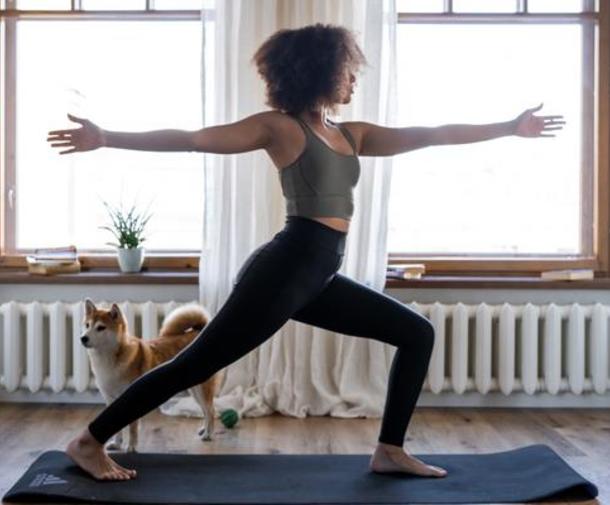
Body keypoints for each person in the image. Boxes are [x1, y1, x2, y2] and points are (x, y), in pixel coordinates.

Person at [46, 23, 564, 482]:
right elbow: (194, 139)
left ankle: (389, 449)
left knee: (415, 332)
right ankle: (88, 442)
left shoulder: (349, 133)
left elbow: (430, 134)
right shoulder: (280, 128)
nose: (353, 81)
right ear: (319, 71)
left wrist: (509, 128)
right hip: (285, 267)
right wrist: (107, 137)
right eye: (347, 71)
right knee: (193, 363)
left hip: (318, 273)